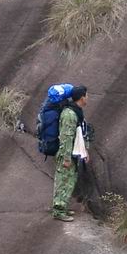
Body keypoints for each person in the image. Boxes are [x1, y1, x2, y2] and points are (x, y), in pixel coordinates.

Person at [51, 85, 88, 221]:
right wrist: (66, 158)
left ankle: (62, 207)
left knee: (69, 180)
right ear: (82, 97)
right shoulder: (69, 114)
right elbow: (66, 137)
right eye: (87, 95)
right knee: (63, 181)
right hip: (66, 154)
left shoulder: (76, 112)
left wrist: (84, 152)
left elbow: (79, 134)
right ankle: (58, 210)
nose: (87, 98)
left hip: (73, 153)